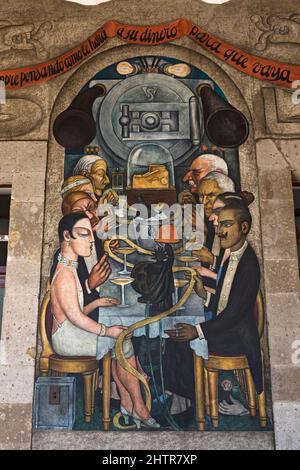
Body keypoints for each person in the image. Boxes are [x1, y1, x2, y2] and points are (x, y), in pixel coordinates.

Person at [50, 212, 160, 429]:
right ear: (66, 236)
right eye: (83, 234)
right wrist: (107, 331)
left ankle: (129, 403)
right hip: (66, 338)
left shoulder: (69, 267)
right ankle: (138, 406)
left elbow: (74, 309)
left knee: (120, 342)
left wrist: (98, 304)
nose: (91, 240)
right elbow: (76, 317)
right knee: (121, 341)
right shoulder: (64, 274)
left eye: (91, 234)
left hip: (70, 330)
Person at [169, 201, 264, 397]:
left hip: (237, 337)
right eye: (219, 224)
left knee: (178, 341)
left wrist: (197, 331)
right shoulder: (232, 256)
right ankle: (180, 396)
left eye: (226, 224)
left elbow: (234, 314)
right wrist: (203, 292)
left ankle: (196, 400)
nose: (219, 231)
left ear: (244, 227)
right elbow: (224, 299)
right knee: (175, 332)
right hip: (228, 326)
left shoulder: (248, 265)